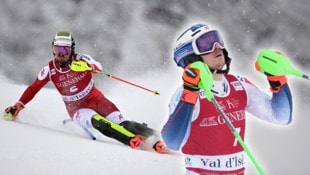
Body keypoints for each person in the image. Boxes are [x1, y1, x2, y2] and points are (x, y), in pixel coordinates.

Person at [161, 24, 293, 174]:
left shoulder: (239, 85)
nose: (217, 47)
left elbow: (281, 117)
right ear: (191, 57)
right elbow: (172, 141)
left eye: (217, 39)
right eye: (206, 44)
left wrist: (276, 79)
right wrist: (190, 93)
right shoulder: (183, 93)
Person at [4, 31, 166, 153]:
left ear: (72, 50)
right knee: (99, 122)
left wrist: (91, 67)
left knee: (123, 123)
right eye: (57, 50)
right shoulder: (49, 69)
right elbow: (33, 88)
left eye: (65, 50)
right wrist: (18, 105)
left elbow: (98, 66)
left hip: (95, 98)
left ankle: (161, 139)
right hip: (77, 109)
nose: (60, 55)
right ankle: (132, 140)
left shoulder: (82, 59)